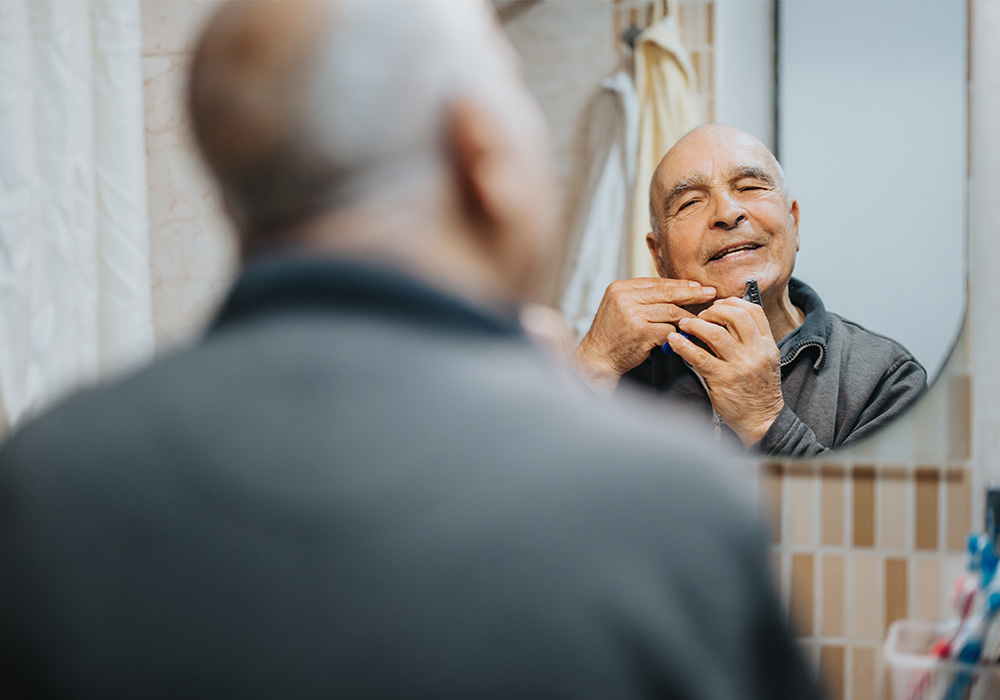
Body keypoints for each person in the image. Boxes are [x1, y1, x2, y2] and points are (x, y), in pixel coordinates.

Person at [0, 3, 822, 699]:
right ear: (481, 156)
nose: (728, 215)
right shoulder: (664, 502)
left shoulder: (44, 483)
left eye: (750, 189)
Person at [573, 124, 927, 457]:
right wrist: (590, 368)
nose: (727, 213)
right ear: (659, 255)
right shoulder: (622, 372)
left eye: (750, 187)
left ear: (794, 223)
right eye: (690, 202)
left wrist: (765, 421)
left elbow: (870, 520)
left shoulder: (888, 379)